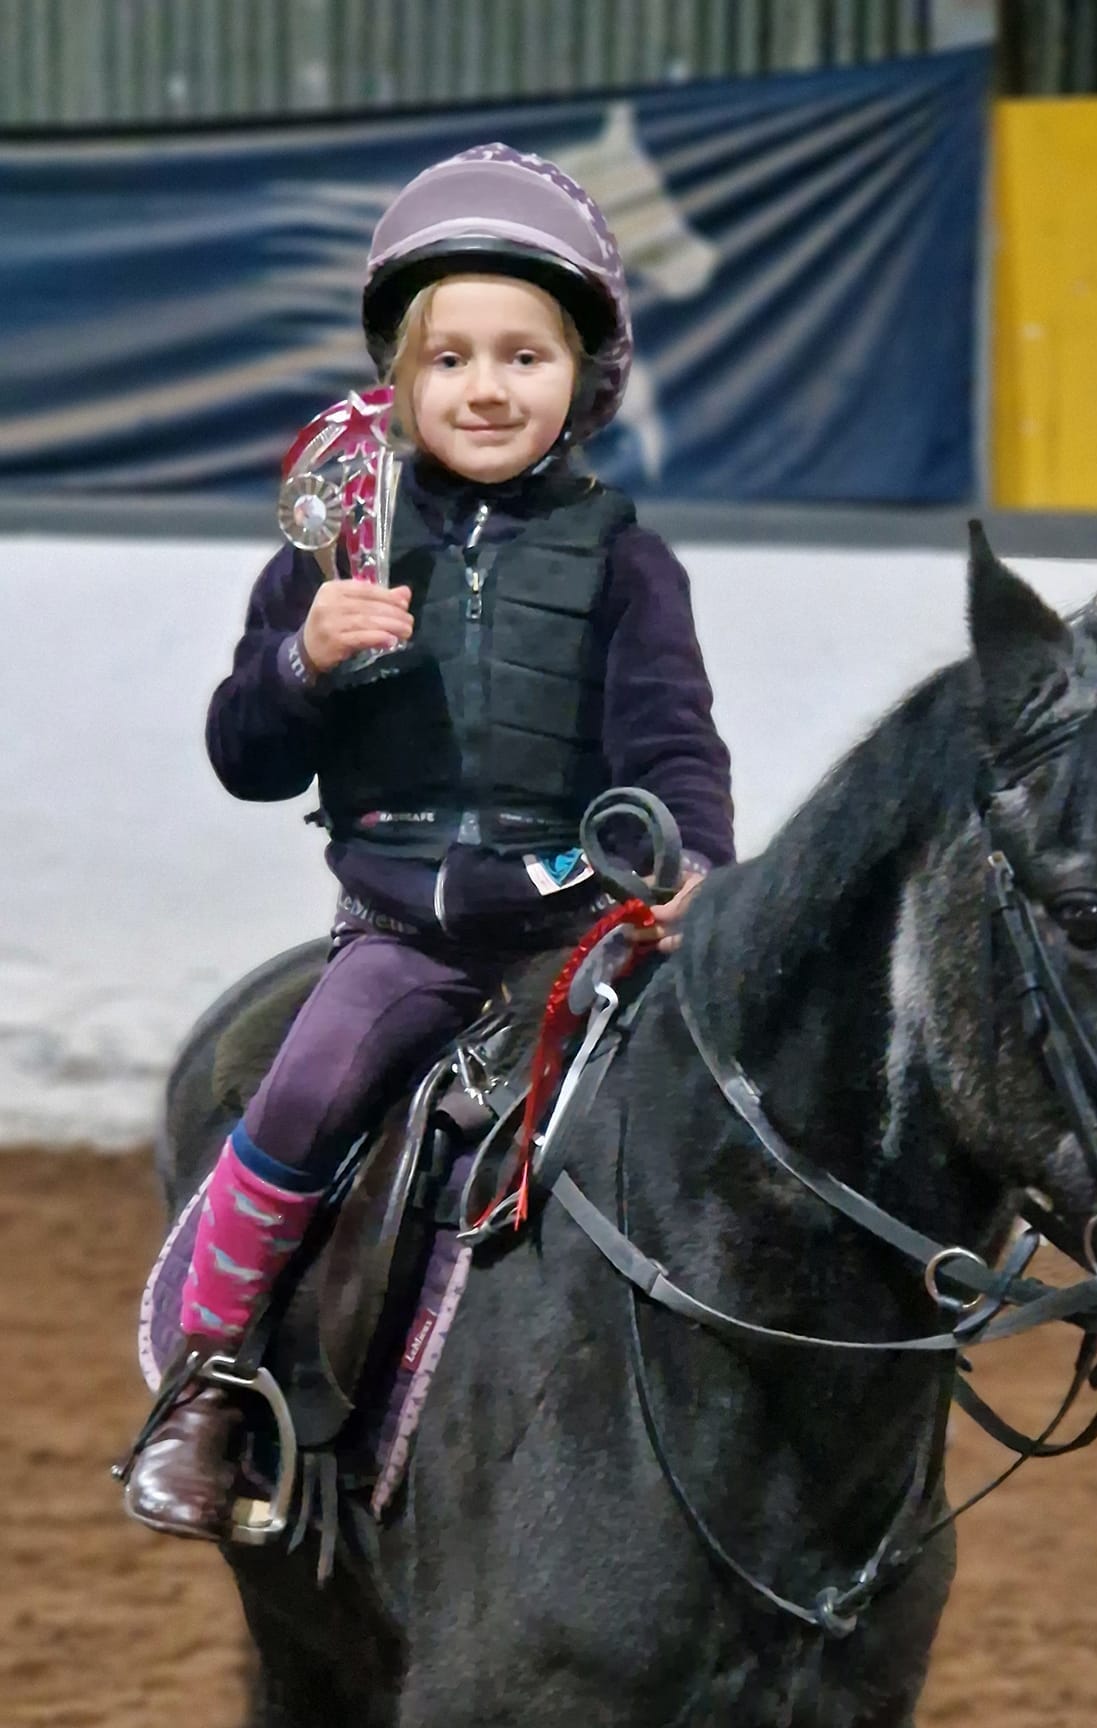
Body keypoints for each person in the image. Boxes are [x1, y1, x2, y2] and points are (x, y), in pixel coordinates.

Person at [125, 144, 734, 1541]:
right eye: (451, 358)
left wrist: (694, 861)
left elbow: (674, 747)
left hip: (577, 934)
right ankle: (211, 1391)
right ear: (400, 382)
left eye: (525, 356)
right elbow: (244, 757)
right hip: (404, 938)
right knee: (298, 1099)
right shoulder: (332, 554)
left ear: (584, 375)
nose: (487, 387)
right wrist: (303, 663)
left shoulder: (628, 561)